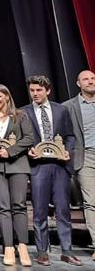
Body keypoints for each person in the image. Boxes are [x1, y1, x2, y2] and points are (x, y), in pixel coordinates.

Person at [22, 75, 82, 266]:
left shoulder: (61, 110)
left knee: (63, 209)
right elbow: (22, 137)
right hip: (39, 166)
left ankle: (67, 250)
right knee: (39, 211)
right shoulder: (23, 112)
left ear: (47, 91)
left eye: (39, 90)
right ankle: (42, 252)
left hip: (59, 166)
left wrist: (67, 151)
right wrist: (28, 150)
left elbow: (70, 136)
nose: (35, 94)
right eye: (32, 90)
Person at [0, 84, 34, 266]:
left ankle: (22, 245)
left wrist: (10, 151)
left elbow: (28, 138)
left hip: (18, 165)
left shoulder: (20, 115)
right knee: (2, 207)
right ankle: (8, 246)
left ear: (7, 97)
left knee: (19, 205)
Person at [63, 70, 95, 261]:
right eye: (86, 79)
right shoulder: (68, 107)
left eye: (93, 78)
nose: (90, 81)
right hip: (86, 157)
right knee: (92, 202)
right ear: (78, 83)